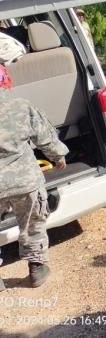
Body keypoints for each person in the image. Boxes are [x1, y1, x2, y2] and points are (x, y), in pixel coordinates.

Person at [0, 64, 68, 288]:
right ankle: (37, 267)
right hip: (25, 181)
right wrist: (58, 157)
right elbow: (45, 137)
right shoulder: (20, 106)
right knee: (32, 223)